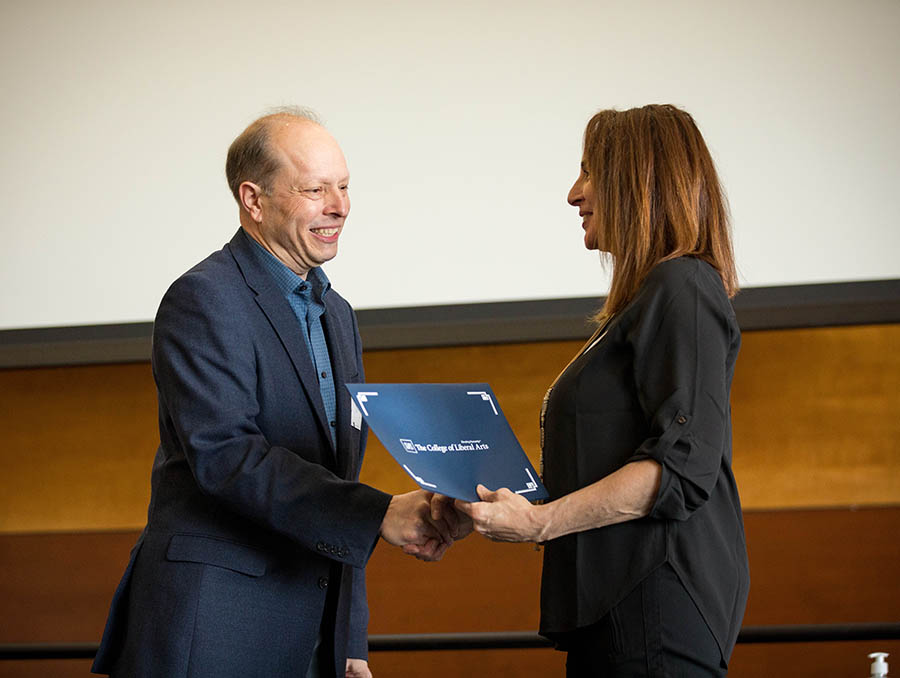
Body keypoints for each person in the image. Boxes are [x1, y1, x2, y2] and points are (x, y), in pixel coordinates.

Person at [92, 108, 452, 678]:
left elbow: (338, 478)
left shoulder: (337, 315)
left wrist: (347, 636)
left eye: (344, 186)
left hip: (312, 638)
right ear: (253, 201)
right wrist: (380, 513)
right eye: (315, 189)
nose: (339, 206)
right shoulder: (203, 298)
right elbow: (227, 457)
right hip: (213, 628)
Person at [440, 104, 750, 676]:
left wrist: (540, 523)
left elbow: (681, 469)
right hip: (616, 610)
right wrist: (498, 506)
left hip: (654, 606)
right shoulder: (649, 298)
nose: (573, 194)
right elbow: (601, 465)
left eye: (590, 173)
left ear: (638, 182)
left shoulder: (682, 285)